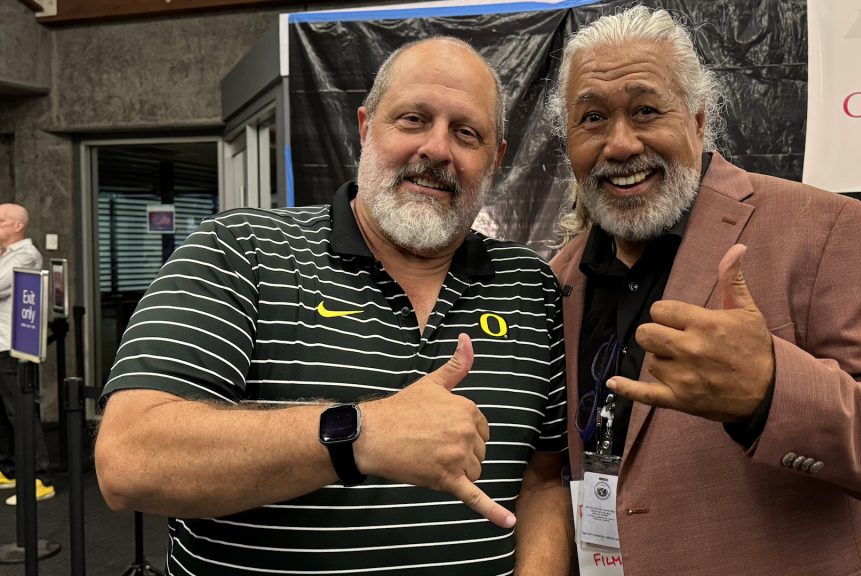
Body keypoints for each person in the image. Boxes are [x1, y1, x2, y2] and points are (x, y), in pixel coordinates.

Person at [96, 37, 570, 575]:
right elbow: (129, 459)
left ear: (496, 159)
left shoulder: (530, 285)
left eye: (466, 133)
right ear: (366, 127)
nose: (437, 149)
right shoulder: (241, 251)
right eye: (413, 119)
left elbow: (542, 480)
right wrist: (359, 434)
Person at [546, 7, 861, 575]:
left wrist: (773, 392)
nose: (621, 144)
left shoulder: (821, 229)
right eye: (593, 118)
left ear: (698, 120)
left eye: (647, 110)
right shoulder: (560, 278)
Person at [0, 202, 55, 505]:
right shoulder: (6, 255)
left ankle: (40, 478)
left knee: (20, 414)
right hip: (1, 347)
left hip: (14, 349)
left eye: (0, 220)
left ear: (17, 225)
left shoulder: (26, 255)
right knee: (3, 415)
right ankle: (9, 470)